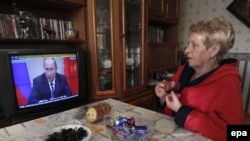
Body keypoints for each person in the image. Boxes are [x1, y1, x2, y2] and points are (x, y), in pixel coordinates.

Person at [155, 17, 244, 141]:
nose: (186, 50)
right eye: (188, 44)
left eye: (194, 45)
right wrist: (163, 98)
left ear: (214, 50)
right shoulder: (184, 69)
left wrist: (181, 111)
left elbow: (238, 134)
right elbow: (169, 108)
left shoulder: (228, 82)